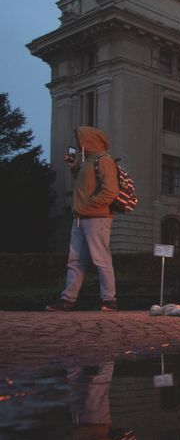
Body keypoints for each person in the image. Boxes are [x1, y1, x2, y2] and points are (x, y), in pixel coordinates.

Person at [48, 126, 119, 311]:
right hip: (81, 217)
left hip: (96, 216)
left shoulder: (104, 160)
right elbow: (86, 186)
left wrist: (89, 205)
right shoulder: (88, 161)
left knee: (101, 259)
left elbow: (110, 191)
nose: (78, 143)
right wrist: (74, 169)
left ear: (89, 140)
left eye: (80, 139)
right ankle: (68, 299)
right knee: (75, 260)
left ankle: (109, 300)